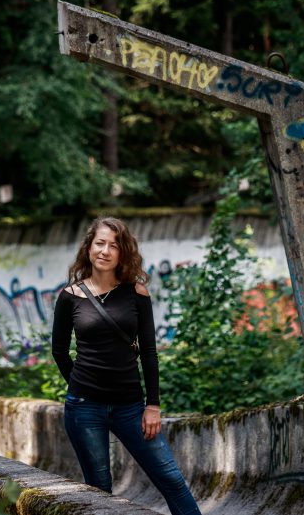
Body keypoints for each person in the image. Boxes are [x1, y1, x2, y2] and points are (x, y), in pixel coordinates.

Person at [51, 216, 202, 515]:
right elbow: (59, 351)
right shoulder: (70, 296)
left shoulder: (137, 293)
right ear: (89, 248)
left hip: (131, 407)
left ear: (123, 252)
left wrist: (153, 405)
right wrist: (80, 387)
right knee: (99, 489)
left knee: (171, 478)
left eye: (114, 245)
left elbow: (149, 352)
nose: (105, 251)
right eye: (100, 243)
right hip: (84, 408)